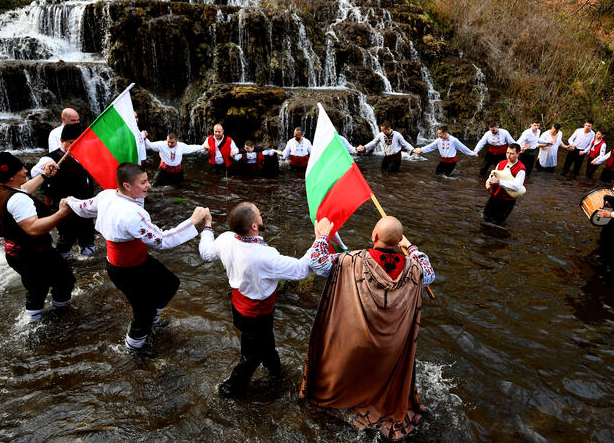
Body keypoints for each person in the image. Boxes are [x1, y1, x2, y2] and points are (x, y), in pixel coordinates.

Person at [300, 216, 435, 440]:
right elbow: (430, 273)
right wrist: (411, 247)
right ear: (399, 240)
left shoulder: (350, 260)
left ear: (373, 236)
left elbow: (317, 262)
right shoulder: (416, 268)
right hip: (392, 345)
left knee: (342, 364)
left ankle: (341, 403)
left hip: (355, 340)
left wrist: (322, 236)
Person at [66, 163, 210, 350]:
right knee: (143, 311)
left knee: (170, 283)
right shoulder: (132, 214)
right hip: (125, 270)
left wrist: (69, 201)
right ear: (127, 186)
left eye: (148, 180)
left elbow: (84, 207)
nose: (148, 185)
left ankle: (153, 323)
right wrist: (194, 220)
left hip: (138, 260)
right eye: (143, 182)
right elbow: (163, 241)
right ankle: (132, 350)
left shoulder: (107, 195)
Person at [198, 202, 313, 397]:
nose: (262, 216)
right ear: (253, 226)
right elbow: (302, 270)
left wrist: (208, 225)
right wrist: (321, 238)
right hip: (256, 315)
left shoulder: (226, 239)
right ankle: (228, 391)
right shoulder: (264, 256)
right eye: (259, 214)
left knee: (266, 343)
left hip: (241, 308)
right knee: (251, 357)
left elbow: (205, 253)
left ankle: (276, 373)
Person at [0, 151, 75, 322]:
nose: (25, 170)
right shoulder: (18, 200)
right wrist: (62, 212)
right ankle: (61, 315)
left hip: (16, 253)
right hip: (35, 254)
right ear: (11, 175)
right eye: (20, 169)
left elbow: (23, 190)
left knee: (37, 287)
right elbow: (34, 229)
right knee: (64, 280)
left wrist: (44, 175)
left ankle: (33, 323)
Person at [30, 124, 96, 258]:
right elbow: (34, 171)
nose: (74, 146)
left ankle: (89, 262)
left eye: (77, 143)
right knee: (66, 237)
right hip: (63, 207)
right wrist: (46, 167)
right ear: (62, 141)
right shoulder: (51, 158)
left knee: (88, 234)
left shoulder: (84, 154)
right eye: (71, 143)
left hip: (85, 204)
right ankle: (61, 264)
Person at [482, 143, 525, 225]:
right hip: (494, 196)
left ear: (518, 154)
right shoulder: (501, 163)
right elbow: (493, 174)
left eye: (512, 153)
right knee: (485, 217)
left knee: (497, 223)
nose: (508, 156)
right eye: (507, 153)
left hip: (507, 201)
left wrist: (499, 182)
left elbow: (517, 186)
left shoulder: (521, 169)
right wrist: (488, 181)